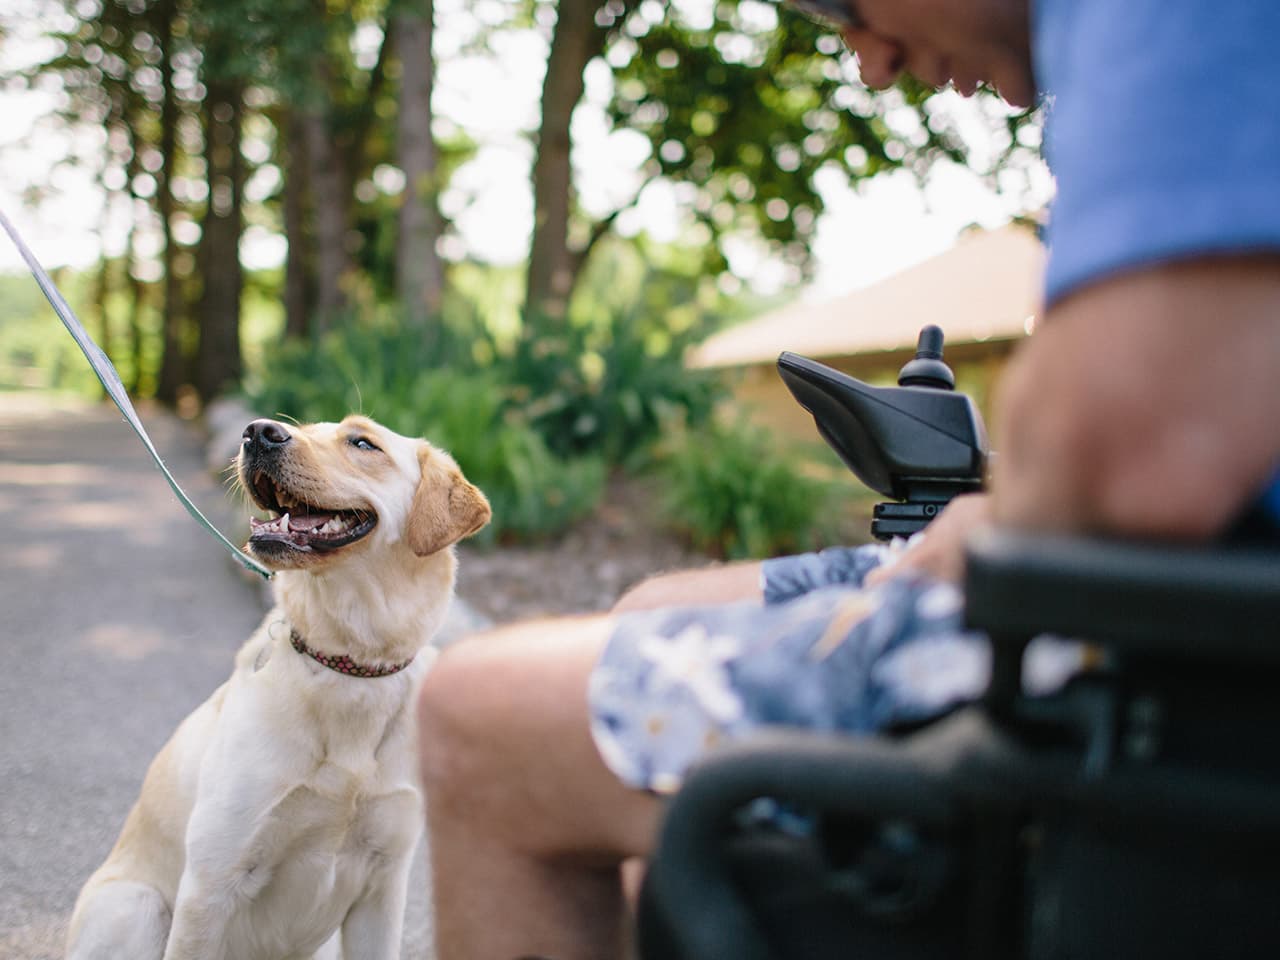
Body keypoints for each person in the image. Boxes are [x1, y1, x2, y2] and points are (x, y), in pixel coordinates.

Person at [415, 1, 1280, 957]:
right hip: (1139, 596)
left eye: (849, 5)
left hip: (1161, 657)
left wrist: (1020, 495)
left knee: (476, 712)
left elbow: (1136, 435)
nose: (866, 62)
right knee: (657, 608)